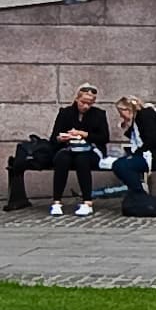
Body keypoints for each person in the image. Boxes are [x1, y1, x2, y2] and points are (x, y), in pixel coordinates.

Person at [110, 95, 156, 216]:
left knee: (121, 166)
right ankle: (139, 193)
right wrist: (127, 125)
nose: (121, 116)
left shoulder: (145, 116)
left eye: (121, 113)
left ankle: (140, 194)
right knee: (121, 164)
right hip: (155, 153)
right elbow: (141, 136)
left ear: (127, 110)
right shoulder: (141, 117)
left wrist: (135, 154)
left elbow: (151, 140)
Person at [43, 81, 109, 214]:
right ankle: (57, 202)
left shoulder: (99, 114)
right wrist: (61, 138)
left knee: (82, 160)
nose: (85, 106)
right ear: (77, 99)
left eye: (89, 103)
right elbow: (54, 137)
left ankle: (87, 202)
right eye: (83, 102)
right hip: (68, 148)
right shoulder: (65, 113)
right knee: (62, 159)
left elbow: (104, 138)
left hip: (90, 150)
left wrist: (85, 134)